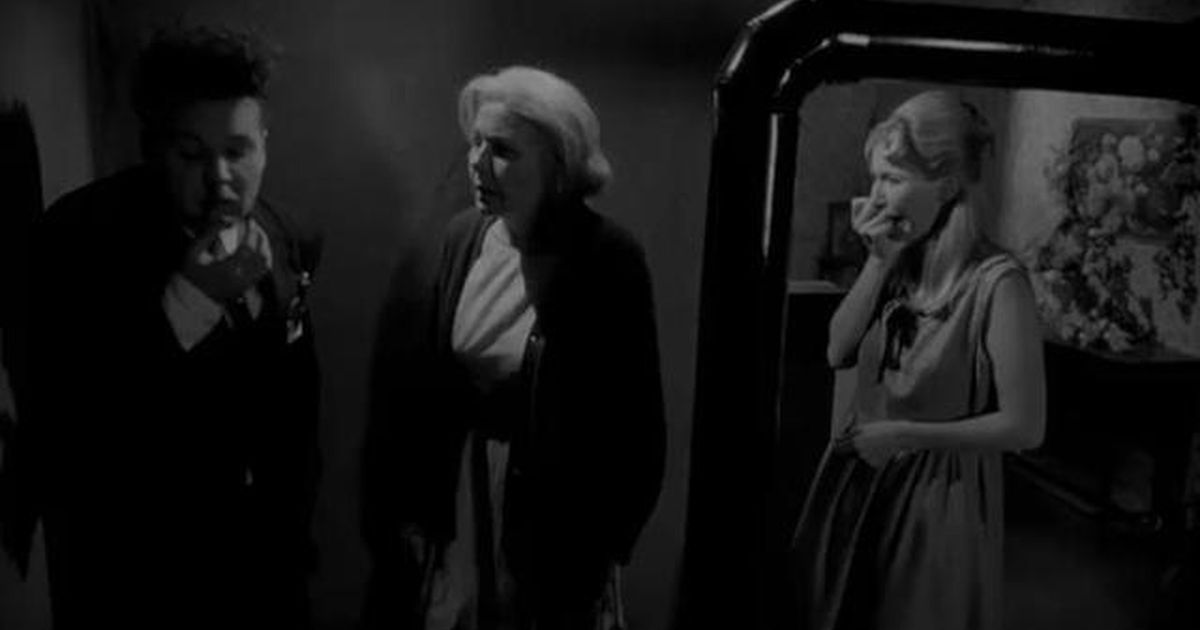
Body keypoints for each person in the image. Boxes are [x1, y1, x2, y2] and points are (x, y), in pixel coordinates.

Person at [3, 26, 321, 629]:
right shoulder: (76, 239)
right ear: (155, 150)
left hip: (267, 576)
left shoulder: (290, 234)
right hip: (140, 582)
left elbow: (295, 409)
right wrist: (189, 302)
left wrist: (295, 544)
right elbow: (74, 430)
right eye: (192, 155)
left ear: (264, 144)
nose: (221, 178)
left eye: (238, 150)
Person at [361, 66, 666, 630]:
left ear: (558, 165)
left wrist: (602, 547)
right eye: (475, 143)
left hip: (555, 519)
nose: (477, 163)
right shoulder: (464, 236)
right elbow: (430, 389)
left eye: (501, 150)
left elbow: (638, 424)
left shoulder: (606, 258)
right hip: (465, 495)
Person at [787, 90, 1046, 630]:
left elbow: (1025, 427)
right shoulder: (899, 262)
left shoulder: (999, 284)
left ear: (947, 185)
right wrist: (878, 263)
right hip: (861, 480)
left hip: (936, 501)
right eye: (875, 178)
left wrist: (904, 435)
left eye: (893, 179)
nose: (876, 196)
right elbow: (837, 350)